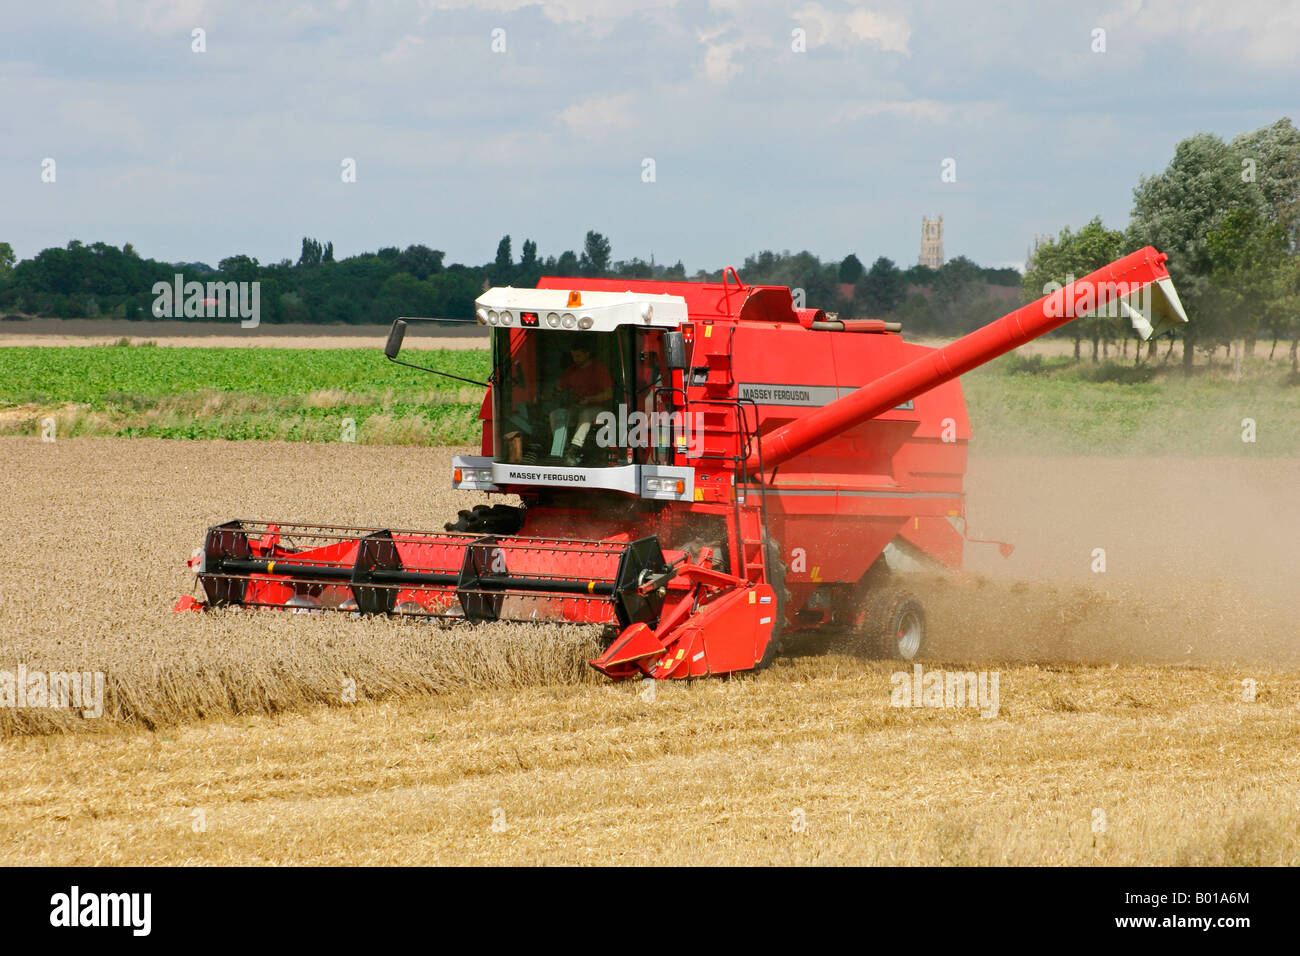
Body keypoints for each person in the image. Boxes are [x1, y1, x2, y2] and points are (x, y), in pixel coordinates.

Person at [550, 342, 613, 463]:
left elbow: (609, 394)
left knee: (585, 415)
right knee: (556, 414)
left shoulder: (599, 369)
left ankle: (575, 449)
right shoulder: (572, 370)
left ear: (587, 354)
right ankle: (563, 450)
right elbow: (560, 388)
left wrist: (590, 399)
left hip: (599, 409)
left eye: (578, 356)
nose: (575, 359)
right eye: (573, 356)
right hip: (576, 407)